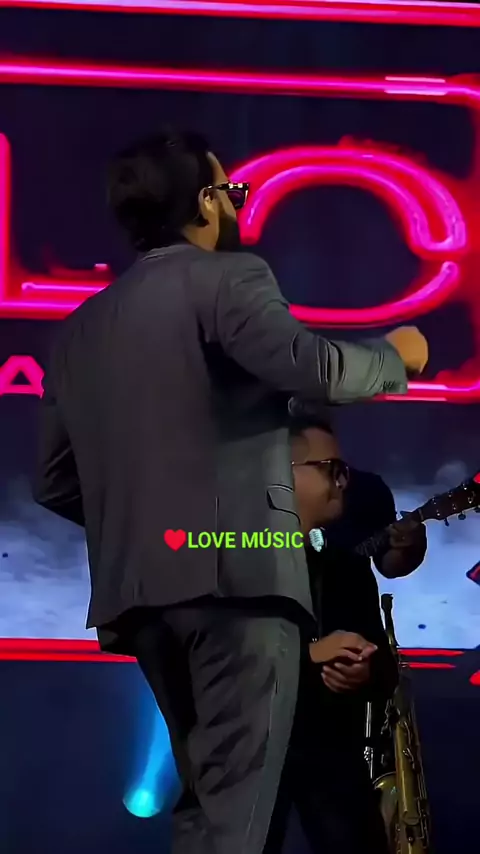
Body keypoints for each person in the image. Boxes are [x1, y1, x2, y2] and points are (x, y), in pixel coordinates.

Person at [33, 129, 428, 854]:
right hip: (237, 589)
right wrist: (396, 358)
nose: (238, 206)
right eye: (233, 191)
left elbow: (54, 480)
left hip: (143, 599)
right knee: (240, 817)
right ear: (205, 203)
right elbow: (314, 367)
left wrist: (155, 526)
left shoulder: (83, 328)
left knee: (209, 813)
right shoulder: (228, 278)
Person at [264, 414, 426, 854]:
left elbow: (383, 668)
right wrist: (309, 655)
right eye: (330, 470)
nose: (341, 483)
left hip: (332, 741)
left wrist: (366, 672)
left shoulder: (345, 555)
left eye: (343, 470)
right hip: (251, 745)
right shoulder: (230, 540)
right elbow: (215, 650)